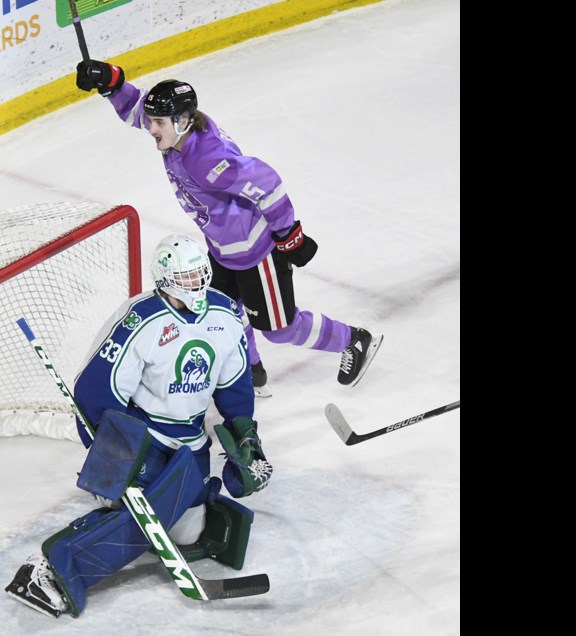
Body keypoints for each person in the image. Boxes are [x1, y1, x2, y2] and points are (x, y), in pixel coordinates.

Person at [5, 234, 273, 618]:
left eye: (201, 275)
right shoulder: (141, 319)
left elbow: (235, 384)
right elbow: (98, 386)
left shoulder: (225, 315)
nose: (198, 284)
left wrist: (246, 434)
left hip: (191, 442)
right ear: (166, 279)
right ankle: (52, 568)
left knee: (186, 536)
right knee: (150, 520)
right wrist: (114, 455)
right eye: (188, 277)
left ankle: (166, 499)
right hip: (145, 439)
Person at [74, 61, 383, 391]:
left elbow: (266, 182)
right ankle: (252, 369)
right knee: (222, 311)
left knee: (281, 330)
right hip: (222, 249)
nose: (151, 129)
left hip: (255, 255)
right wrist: (111, 82)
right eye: (154, 121)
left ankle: (353, 340)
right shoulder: (181, 131)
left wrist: (289, 235)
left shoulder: (206, 159)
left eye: (159, 123)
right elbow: (140, 110)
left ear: (180, 121)